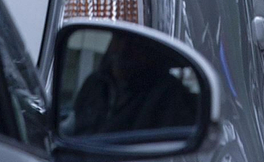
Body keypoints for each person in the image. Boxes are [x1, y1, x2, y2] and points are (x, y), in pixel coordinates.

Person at [64, 32, 197, 139]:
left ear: (150, 53)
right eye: (119, 39)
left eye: (135, 45)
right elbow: (74, 125)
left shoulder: (167, 96)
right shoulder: (95, 83)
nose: (123, 50)